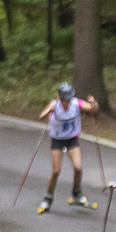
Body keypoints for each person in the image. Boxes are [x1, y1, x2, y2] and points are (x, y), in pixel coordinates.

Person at [36, 82, 98, 213]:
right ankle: (48, 198)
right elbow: (41, 117)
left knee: (78, 167)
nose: (66, 103)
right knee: (56, 171)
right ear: (60, 98)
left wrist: (93, 103)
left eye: (68, 100)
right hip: (57, 140)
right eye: (64, 100)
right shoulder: (55, 104)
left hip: (71, 139)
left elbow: (92, 108)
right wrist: (49, 111)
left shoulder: (76, 103)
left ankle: (76, 193)